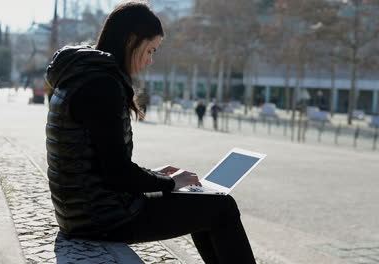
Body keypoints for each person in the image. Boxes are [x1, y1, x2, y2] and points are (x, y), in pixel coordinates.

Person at [45, 2, 256, 263]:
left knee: (204, 203)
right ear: (131, 40)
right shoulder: (102, 86)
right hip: (102, 218)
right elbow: (117, 173)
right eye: (150, 50)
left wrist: (159, 177)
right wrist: (169, 182)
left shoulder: (83, 74)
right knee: (222, 207)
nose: (150, 60)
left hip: (83, 211)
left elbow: (102, 164)